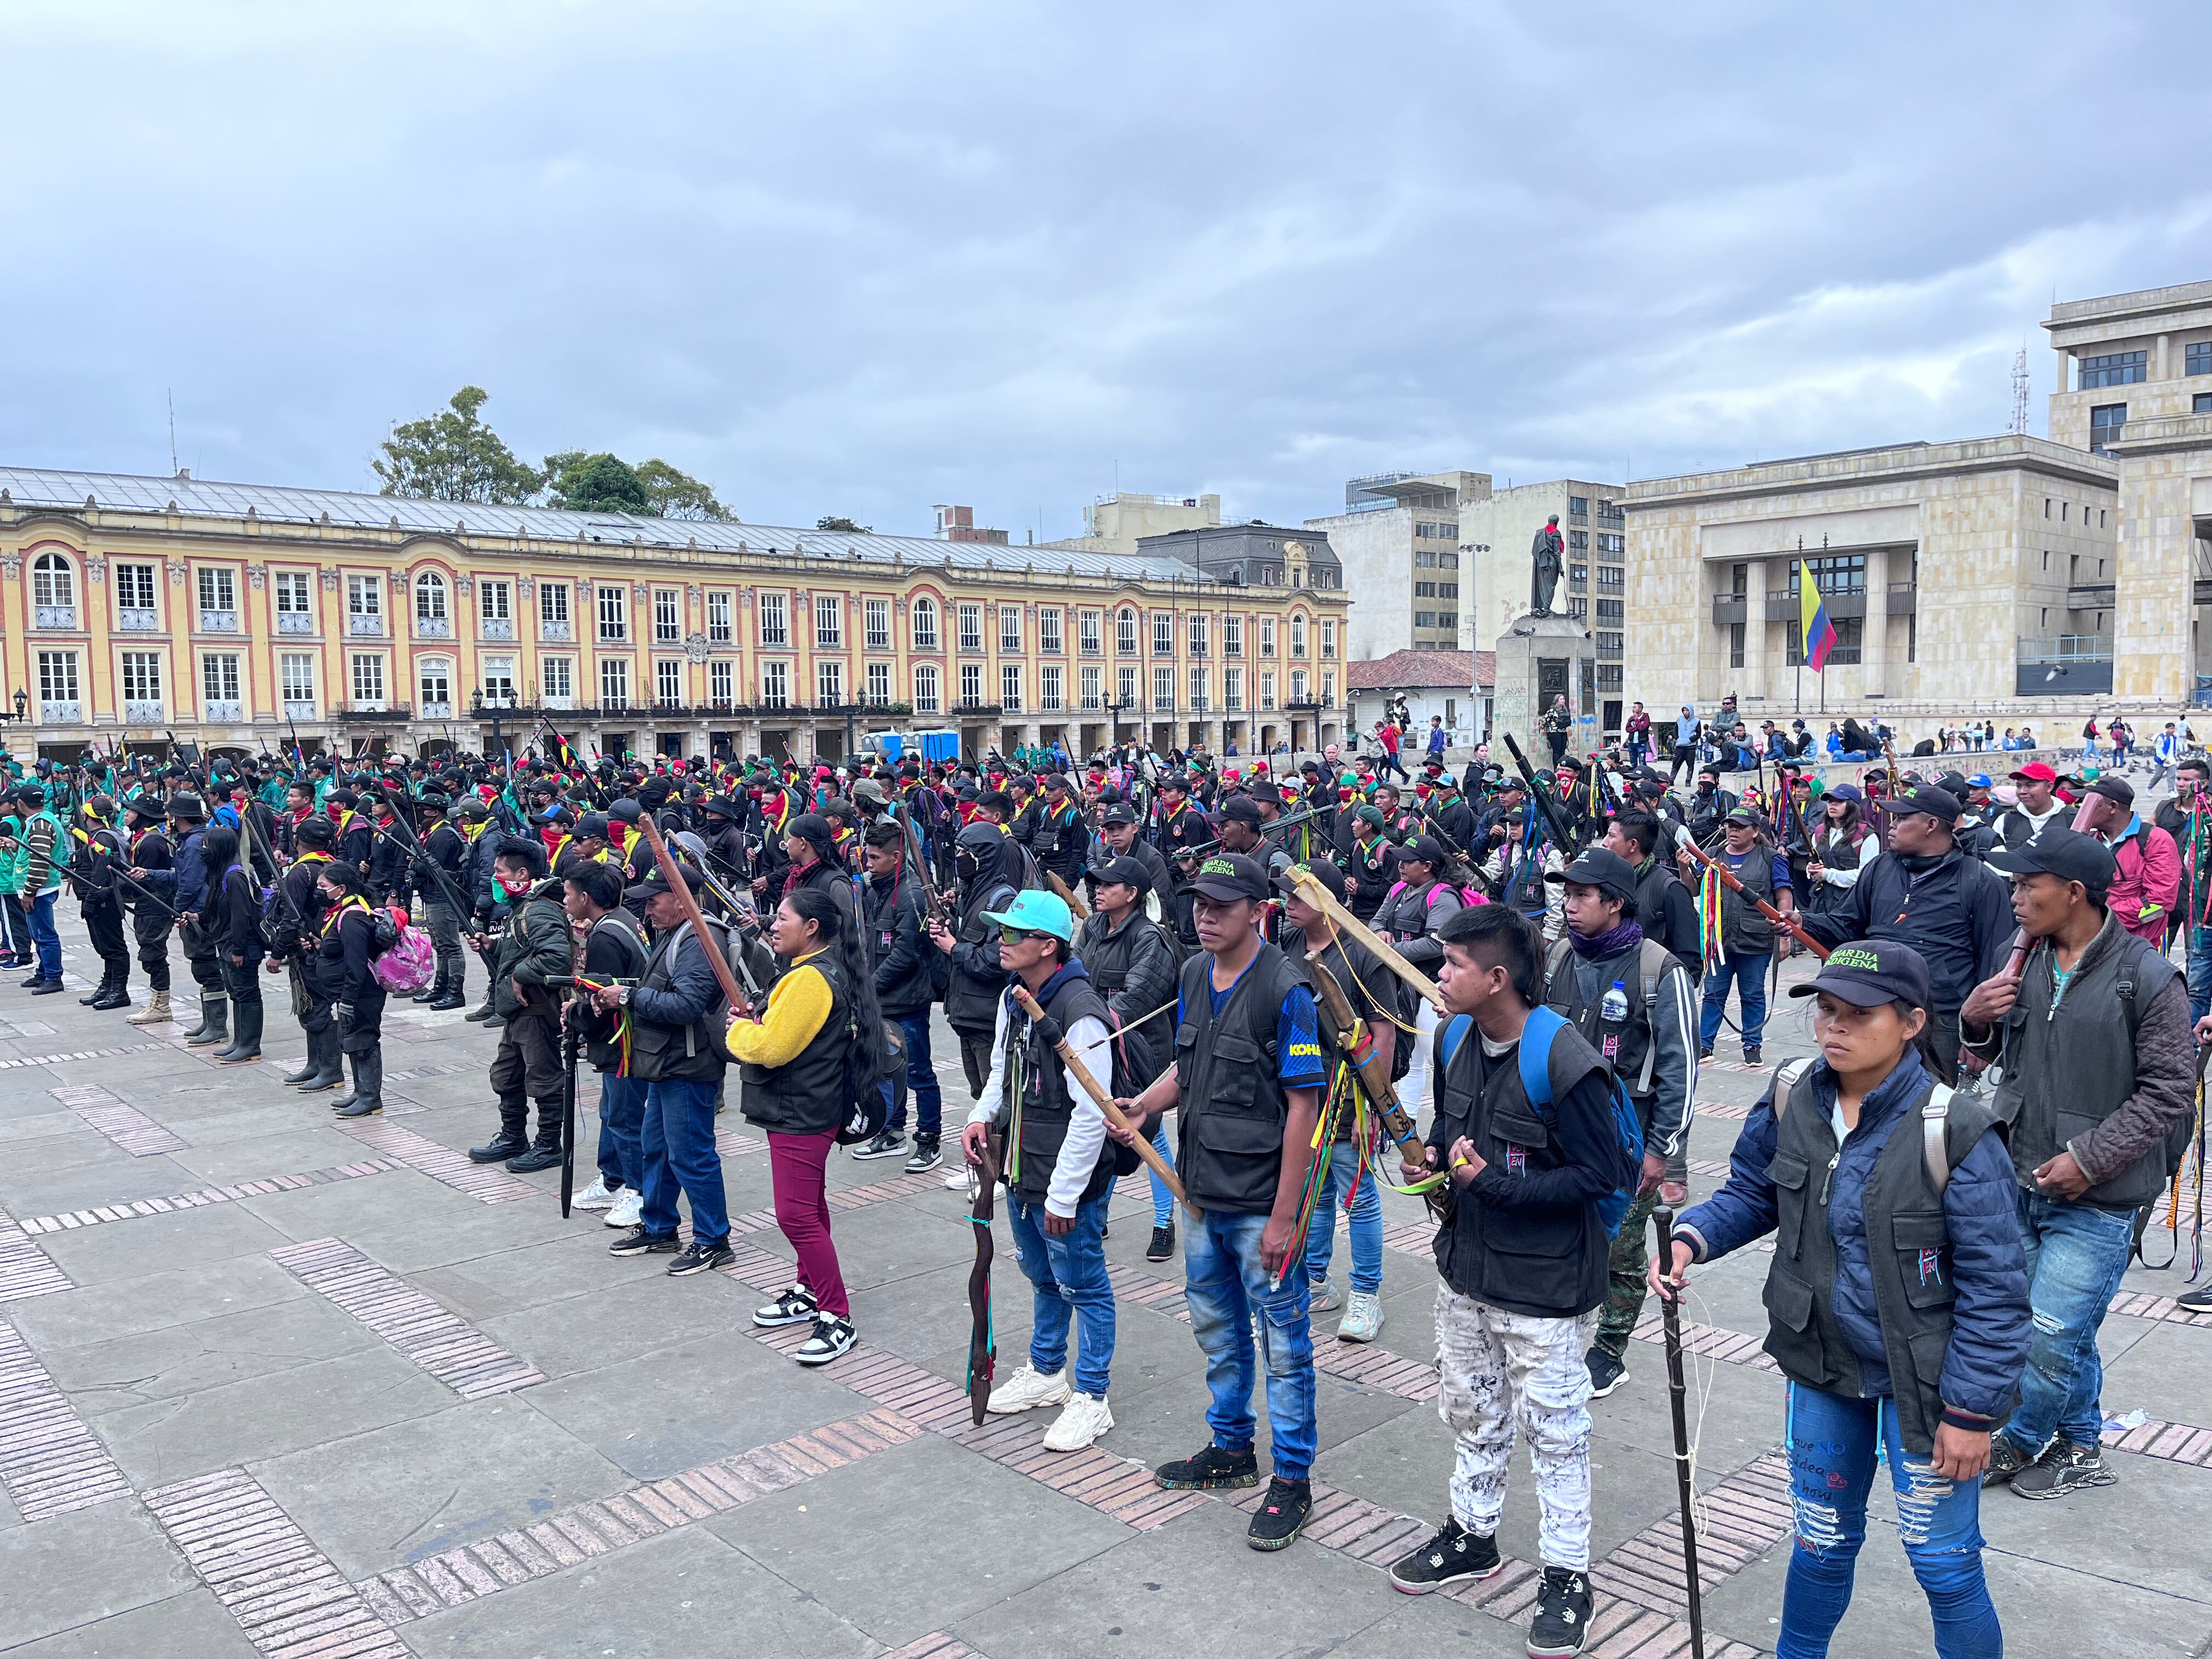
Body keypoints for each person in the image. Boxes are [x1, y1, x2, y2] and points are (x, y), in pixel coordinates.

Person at [1656, 939, 2028, 1659]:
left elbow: (1998, 1291)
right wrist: (1692, 1238)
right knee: (1821, 1545)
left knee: (1942, 1563)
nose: (1835, 1028)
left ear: (1913, 1024)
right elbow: (1753, 1190)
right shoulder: (1793, 1092)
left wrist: (1972, 1414)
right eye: (1826, 1010)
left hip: (1929, 1385)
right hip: (1821, 1361)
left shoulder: (1955, 1131)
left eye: (1859, 1014)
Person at [1383, 905, 1616, 1656]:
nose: (1439, 977)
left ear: (1497, 978)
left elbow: (1603, 1176)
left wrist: (1500, 1188)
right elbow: (1452, 1135)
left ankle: (1567, 1576)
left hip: (1546, 1291)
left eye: (1452, 965)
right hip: (1466, 1271)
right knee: (1471, 1413)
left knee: (1556, 1434)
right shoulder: (1453, 1035)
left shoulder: (1564, 1057)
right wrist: (1428, 1160)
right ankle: (1472, 1536)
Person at [1961, 829, 2195, 1499]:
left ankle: (2024, 1438)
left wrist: (2089, 1161)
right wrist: (1977, 1020)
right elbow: (1987, 1060)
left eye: (2026, 885)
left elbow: (2171, 1091)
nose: (2014, 898)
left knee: (2050, 1330)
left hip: (2099, 1197)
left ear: (2074, 893)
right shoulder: (2026, 961)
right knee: (2064, 1329)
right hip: (2021, 1178)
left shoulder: (2148, 977)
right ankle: (2084, 1446)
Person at [1109, 854, 1327, 1551]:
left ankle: (1292, 1480)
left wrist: (1287, 1215)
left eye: (1221, 905)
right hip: (1201, 1195)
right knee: (1217, 1332)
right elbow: (1189, 1062)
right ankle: (1231, 1449)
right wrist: (1143, 1106)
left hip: (1261, 1203)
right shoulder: (1191, 974)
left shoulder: (1286, 989)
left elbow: (1304, 1106)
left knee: (1285, 1344)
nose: (1204, 915)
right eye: (1199, 903)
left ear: (1257, 910)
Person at [961, 889, 1121, 1451]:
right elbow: (1002, 1070)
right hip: (1023, 1168)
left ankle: (1092, 1397)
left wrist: (1065, 1196)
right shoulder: (1015, 995)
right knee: (1041, 1275)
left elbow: (1091, 1113)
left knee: (1085, 1285)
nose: (999, 943)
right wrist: (982, 1117)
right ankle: (1047, 1371)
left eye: (1011, 935)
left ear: (1047, 947)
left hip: (1064, 1179)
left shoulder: (1080, 1012)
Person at [1539, 847, 1697, 1401]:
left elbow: (1681, 1067)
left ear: (1616, 903)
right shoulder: (1558, 956)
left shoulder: (1659, 970)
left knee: (1622, 1249)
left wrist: (1663, 1153)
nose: (1571, 904)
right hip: (1558, 1133)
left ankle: (1610, 1349)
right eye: (1568, 893)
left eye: (1582, 895)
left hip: (1627, 1140)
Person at [733, 885, 890, 1364]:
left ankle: (836, 1315)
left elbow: (772, 1048)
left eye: (783, 918)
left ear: (812, 928)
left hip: (801, 1110)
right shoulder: (816, 970)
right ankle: (807, 1290)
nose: (772, 925)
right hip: (808, 1106)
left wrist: (738, 1031)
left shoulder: (809, 979)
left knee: (795, 1215)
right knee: (809, 1205)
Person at [1795, 786, 2013, 1082]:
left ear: (1931, 825)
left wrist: (1979, 1036)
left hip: (1943, 1020)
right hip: (1874, 1008)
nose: (1891, 826)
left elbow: (1995, 963)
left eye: (1901, 818)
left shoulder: (1980, 880)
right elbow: (1846, 926)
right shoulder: (1880, 868)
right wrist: (1802, 922)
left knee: (1928, 1106)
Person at [1278, 857, 1403, 1344]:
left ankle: (1367, 1295)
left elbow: (1382, 1032)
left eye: (1297, 897)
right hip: (1303, 1093)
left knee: (1359, 1197)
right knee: (1315, 1191)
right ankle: (1315, 1281)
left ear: (1325, 903)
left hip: (1349, 1092)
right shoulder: (1287, 944)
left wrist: (1374, 1106)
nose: (1287, 905)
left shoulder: (1362, 954)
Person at [598, 857, 739, 1280]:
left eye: (654, 901)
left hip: (689, 1064)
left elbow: (686, 1006)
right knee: (655, 1147)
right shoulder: (674, 932)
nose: (648, 910)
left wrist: (627, 997)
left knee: (691, 1154)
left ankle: (714, 1240)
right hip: (664, 1062)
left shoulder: (700, 937)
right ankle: (660, 1227)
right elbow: (662, 990)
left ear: (680, 900)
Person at [1073, 854, 1181, 1261]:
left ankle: (1163, 1220)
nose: (1098, 890)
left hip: (1139, 1052)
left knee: (1146, 1132)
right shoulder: (1094, 926)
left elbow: (1137, 998)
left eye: (1108, 885)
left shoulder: (1149, 937)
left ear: (1132, 894)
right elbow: (1075, 975)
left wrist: (1086, 1017)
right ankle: (1096, 1213)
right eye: (1097, 883)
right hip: (1099, 1043)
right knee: (1107, 1127)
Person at [468, 840, 574, 1172]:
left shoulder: (540, 908)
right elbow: (523, 945)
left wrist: (519, 974)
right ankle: (513, 1136)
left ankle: (547, 1145)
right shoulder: (524, 905)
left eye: (500, 872)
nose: (495, 879)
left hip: (536, 1008)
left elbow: (556, 957)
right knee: (506, 1075)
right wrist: (495, 944)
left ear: (522, 874)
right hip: (517, 1011)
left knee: (544, 1078)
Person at [563, 861, 652, 1232]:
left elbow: (603, 1001)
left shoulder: (604, 937)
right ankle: (612, 1178)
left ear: (586, 898)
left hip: (625, 1042)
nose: (565, 900)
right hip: (629, 1037)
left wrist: (575, 1013)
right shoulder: (624, 919)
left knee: (625, 1117)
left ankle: (638, 1191)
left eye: (568, 893)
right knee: (609, 1112)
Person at [857, 821, 943, 1171]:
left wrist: (869, 987)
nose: (869, 863)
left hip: (907, 1002)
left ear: (897, 856)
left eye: (876, 857)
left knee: (919, 1072)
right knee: (885, 1070)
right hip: (880, 1001)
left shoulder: (911, 895)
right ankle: (891, 1133)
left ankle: (929, 1140)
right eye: (867, 856)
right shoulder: (875, 889)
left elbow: (905, 954)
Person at [1688, 808, 1792, 1065]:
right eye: (1730, 826)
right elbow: (1692, 889)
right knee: (1712, 993)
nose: (1733, 831)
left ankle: (1752, 1046)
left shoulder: (1770, 858)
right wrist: (1683, 868)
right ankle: (1704, 1045)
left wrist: (1785, 934)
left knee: (1753, 994)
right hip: (1718, 940)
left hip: (1755, 940)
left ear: (1756, 832)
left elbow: (1783, 895)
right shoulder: (1712, 856)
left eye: (1740, 826)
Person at [933, 819, 1024, 1097]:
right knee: (979, 1094)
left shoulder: (1003, 901)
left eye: (964, 853)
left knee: (994, 1098)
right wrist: (946, 927)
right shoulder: (970, 891)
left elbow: (998, 959)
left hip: (986, 1018)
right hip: (966, 1014)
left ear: (981, 858)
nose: (958, 859)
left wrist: (953, 948)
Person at [314, 860, 387, 1118]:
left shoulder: (353, 917)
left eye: (323, 886)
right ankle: (360, 1091)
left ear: (341, 889)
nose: (319, 890)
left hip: (362, 992)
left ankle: (370, 1097)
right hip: (349, 992)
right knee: (352, 1040)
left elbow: (356, 963)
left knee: (364, 1039)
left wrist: (348, 998)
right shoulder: (340, 912)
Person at [2075, 773, 2181, 946]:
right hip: (2090, 941)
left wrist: (2101, 920)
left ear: (2112, 807)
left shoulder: (2155, 840)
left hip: (2137, 948)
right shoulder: (2089, 840)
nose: (2080, 807)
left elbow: (2160, 905)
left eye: (2089, 803)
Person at [204, 824, 265, 1064]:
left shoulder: (235, 876)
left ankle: (250, 1045)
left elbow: (242, 916)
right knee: (236, 993)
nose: (204, 850)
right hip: (228, 944)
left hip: (241, 946)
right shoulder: (224, 874)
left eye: (208, 845)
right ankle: (240, 1041)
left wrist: (238, 950)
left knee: (248, 993)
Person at [69, 794, 133, 1010]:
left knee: (113, 946)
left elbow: (100, 873)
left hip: (104, 900)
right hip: (100, 899)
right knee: (104, 946)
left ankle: (119, 990)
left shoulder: (103, 839)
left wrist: (91, 898)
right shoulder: (104, 835)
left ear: (88, 815)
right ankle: (108, 984)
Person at [122, 793, 176, 1025]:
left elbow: (149, 878)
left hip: (155, 904)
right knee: (149, 951)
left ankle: (161, 1005)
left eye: (131, 811)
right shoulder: (141, 838)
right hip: (147, 904)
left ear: (142, 817)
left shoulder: (152, 842)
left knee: (153, 953)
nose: (126, 814)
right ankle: (157, 1001)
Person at [1803, 787, 1880, 915]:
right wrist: (1811, 868)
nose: (1832, 804)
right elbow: (1816, 863)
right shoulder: (1819, 832)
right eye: (1830, 801)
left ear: (1852, 806)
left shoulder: (1867, 836)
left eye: (1839, 801)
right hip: (1819, 902)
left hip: (1850, 907)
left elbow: (1865, 876)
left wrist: (1827, 874)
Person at [1994, 762, 2068, 850]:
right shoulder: (2005, 821)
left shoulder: (2073, 820)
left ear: (2049, 787)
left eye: (2030, 785)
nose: (2022, 791)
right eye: (2019, 786)